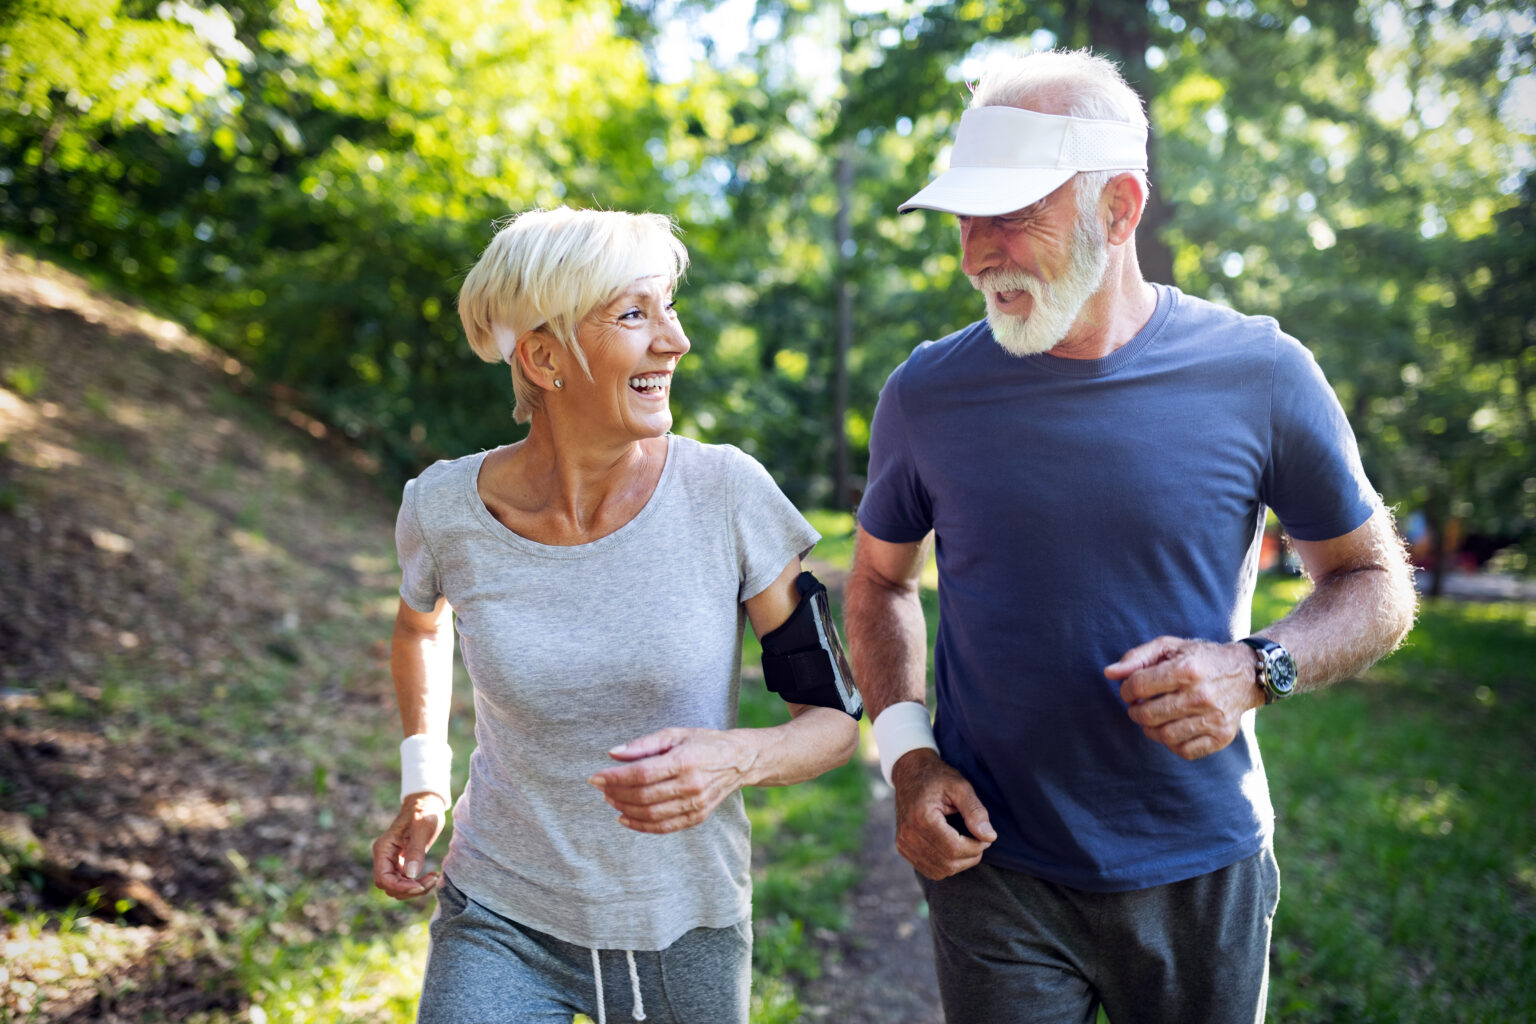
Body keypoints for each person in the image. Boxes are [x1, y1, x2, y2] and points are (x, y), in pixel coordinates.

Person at [845, 49, 1417, 1024]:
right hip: (997, 866)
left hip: (1204, 867)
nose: (977, 249)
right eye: (964, 217)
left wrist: (1257, 666)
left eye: (1013, 213)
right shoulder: (927, 392)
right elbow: (878, 583)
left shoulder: (1262, 373)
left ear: (1120, 210)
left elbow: (1374, 581)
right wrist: (909, 756)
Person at [371, 207, 861, 1024]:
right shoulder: (444, 507)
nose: (674, 341)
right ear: (544, 356)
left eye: (669, 309)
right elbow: (422, 622)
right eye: (635, 314)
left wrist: (736, 758)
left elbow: (836, 722)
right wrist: (424, 783)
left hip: (683, 926)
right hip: (499, 911)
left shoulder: (728, 494)